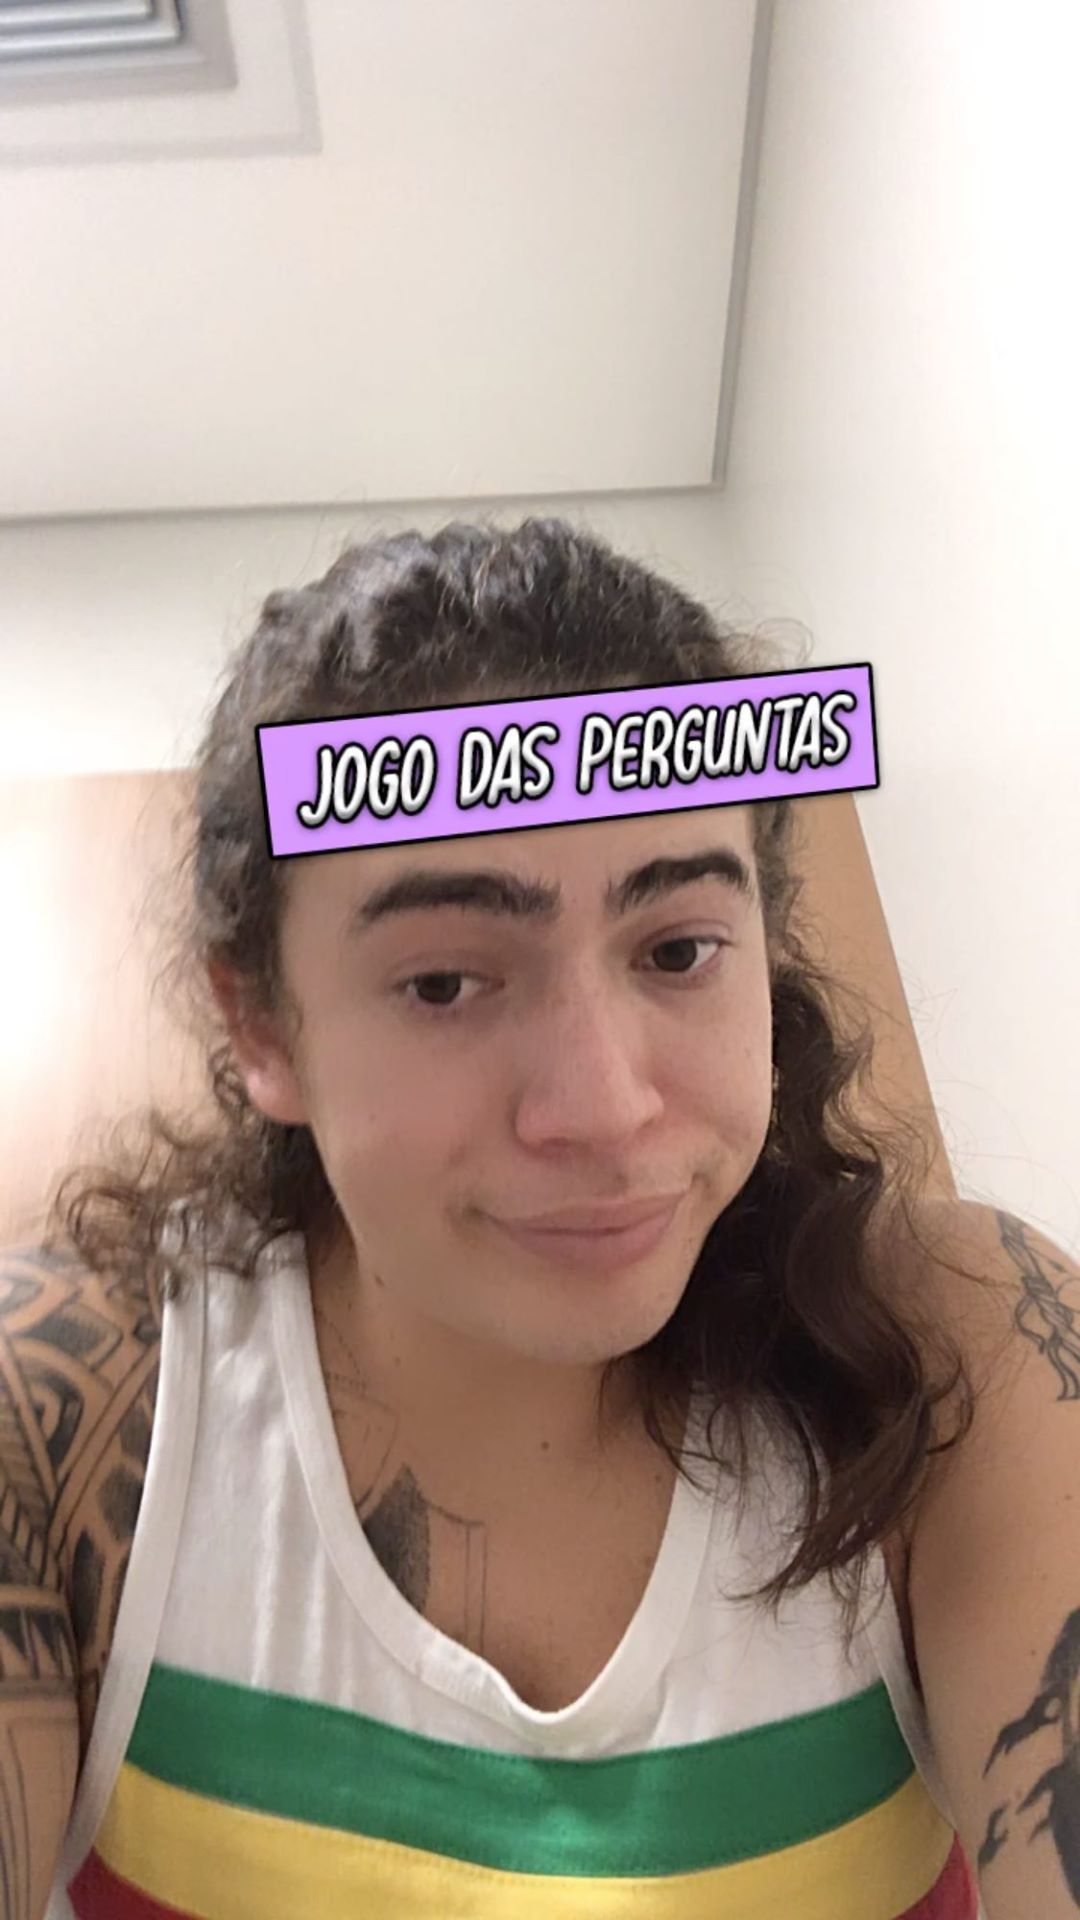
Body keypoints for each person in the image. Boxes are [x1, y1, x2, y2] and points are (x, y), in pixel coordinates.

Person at [4, 518, 1077, 1919]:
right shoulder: (67, 1413)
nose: (603, 1106)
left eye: (678, 949)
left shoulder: (961, 1357)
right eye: (446, 982)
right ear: (261, 1021)